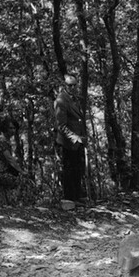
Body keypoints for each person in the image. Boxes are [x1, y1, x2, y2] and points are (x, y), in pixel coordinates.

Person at [53, 74, 86, 208]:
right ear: (64, 86)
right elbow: (61, 125)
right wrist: (74, 137)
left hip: (77, 142)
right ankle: (69, 198)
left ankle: (77, 197)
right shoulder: (61, 100)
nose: (72, 88)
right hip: (67, 142)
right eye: (69, 85)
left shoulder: (74, 99)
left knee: (77, 169)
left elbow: (78, 120)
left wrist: (82, 137)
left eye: (74, 85)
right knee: (69, 170)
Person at [0, 116, 25, 205]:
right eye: (10, 128)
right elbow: (9, 159)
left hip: (4, 171)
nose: (13, 130)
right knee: (19, 181)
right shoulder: (2, 140)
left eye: (14, 128)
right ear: (5, 128)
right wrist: (21, 171)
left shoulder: (6, 140)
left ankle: (9, 204)